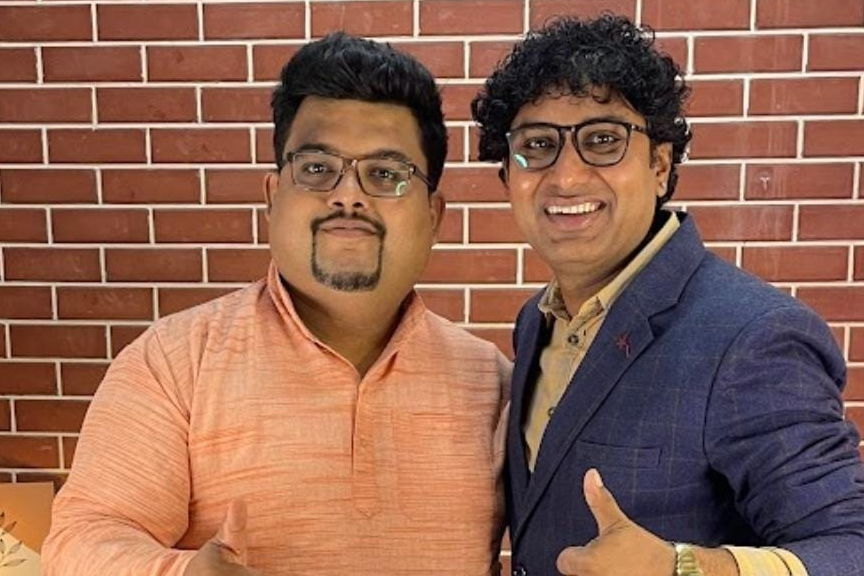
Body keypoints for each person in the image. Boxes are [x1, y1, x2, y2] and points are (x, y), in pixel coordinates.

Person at [42, 32, 510, 576]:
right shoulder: (174, 363)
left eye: (386, 174)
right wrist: (183, 574)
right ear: (272, 198)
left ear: (433, 216)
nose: (348, 195)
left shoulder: (493, 384)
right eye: (317, 168)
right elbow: (80, 542)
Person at [471, 14, 864, 576]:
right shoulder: (537, 319)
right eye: (538, 145)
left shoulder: (752, 338)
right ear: (508, 177)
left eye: (602, 140)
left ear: (659, 164)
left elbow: (850, 545)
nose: (566, 177)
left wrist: (685, 567)